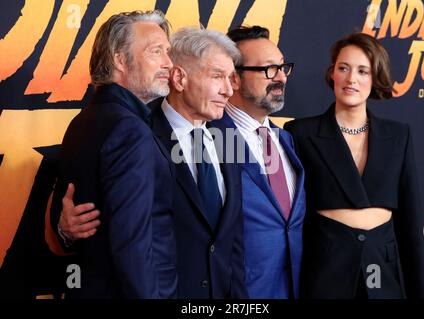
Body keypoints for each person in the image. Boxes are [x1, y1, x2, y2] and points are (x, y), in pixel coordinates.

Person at [56, 27, 247, 299]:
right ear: (179, 78)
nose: (229, 90)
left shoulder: (228, 137)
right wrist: (64, 229)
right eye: (218, 76)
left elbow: (233, 242)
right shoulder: (135, 131)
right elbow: (107, 226)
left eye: (231, 78)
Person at [284, 32, 424, 298]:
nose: (352, 79)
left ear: (375, 78)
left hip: (381, 270)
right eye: (344, 68)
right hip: (326, 271)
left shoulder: (398, 135)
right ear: (332, 74)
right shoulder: (300, 133)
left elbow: (410, 222)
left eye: (363, 71)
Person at [50, 10, 177, 298]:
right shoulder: (128, 129)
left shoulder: (83, 121)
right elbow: (132, 244)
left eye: (167, 52)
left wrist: (63, 230)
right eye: (157, 52)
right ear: (120, 59)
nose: (169, 63)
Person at [210, 26, 306, 298]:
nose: (280, 78)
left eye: (283, 67)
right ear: (234, 79)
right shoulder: (207, 139)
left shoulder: (287, 140)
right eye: (268, 69)